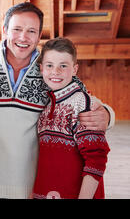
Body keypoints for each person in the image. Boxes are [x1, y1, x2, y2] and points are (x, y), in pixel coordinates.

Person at [0, 2, 115, 199]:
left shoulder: (48, 68)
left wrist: (108, 114)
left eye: (31, 31)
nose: (23, 37)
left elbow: (82, 95)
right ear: (5, 30)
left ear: (39, 36)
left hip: (32, 186)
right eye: (17, 29)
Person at [32, 37, 110, 199]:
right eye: (50, 65)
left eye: (63, 66)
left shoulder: (82, 103)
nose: (56, 71)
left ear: (74, 69)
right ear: (41, 68)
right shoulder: (46, 107)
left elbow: (96, 159)